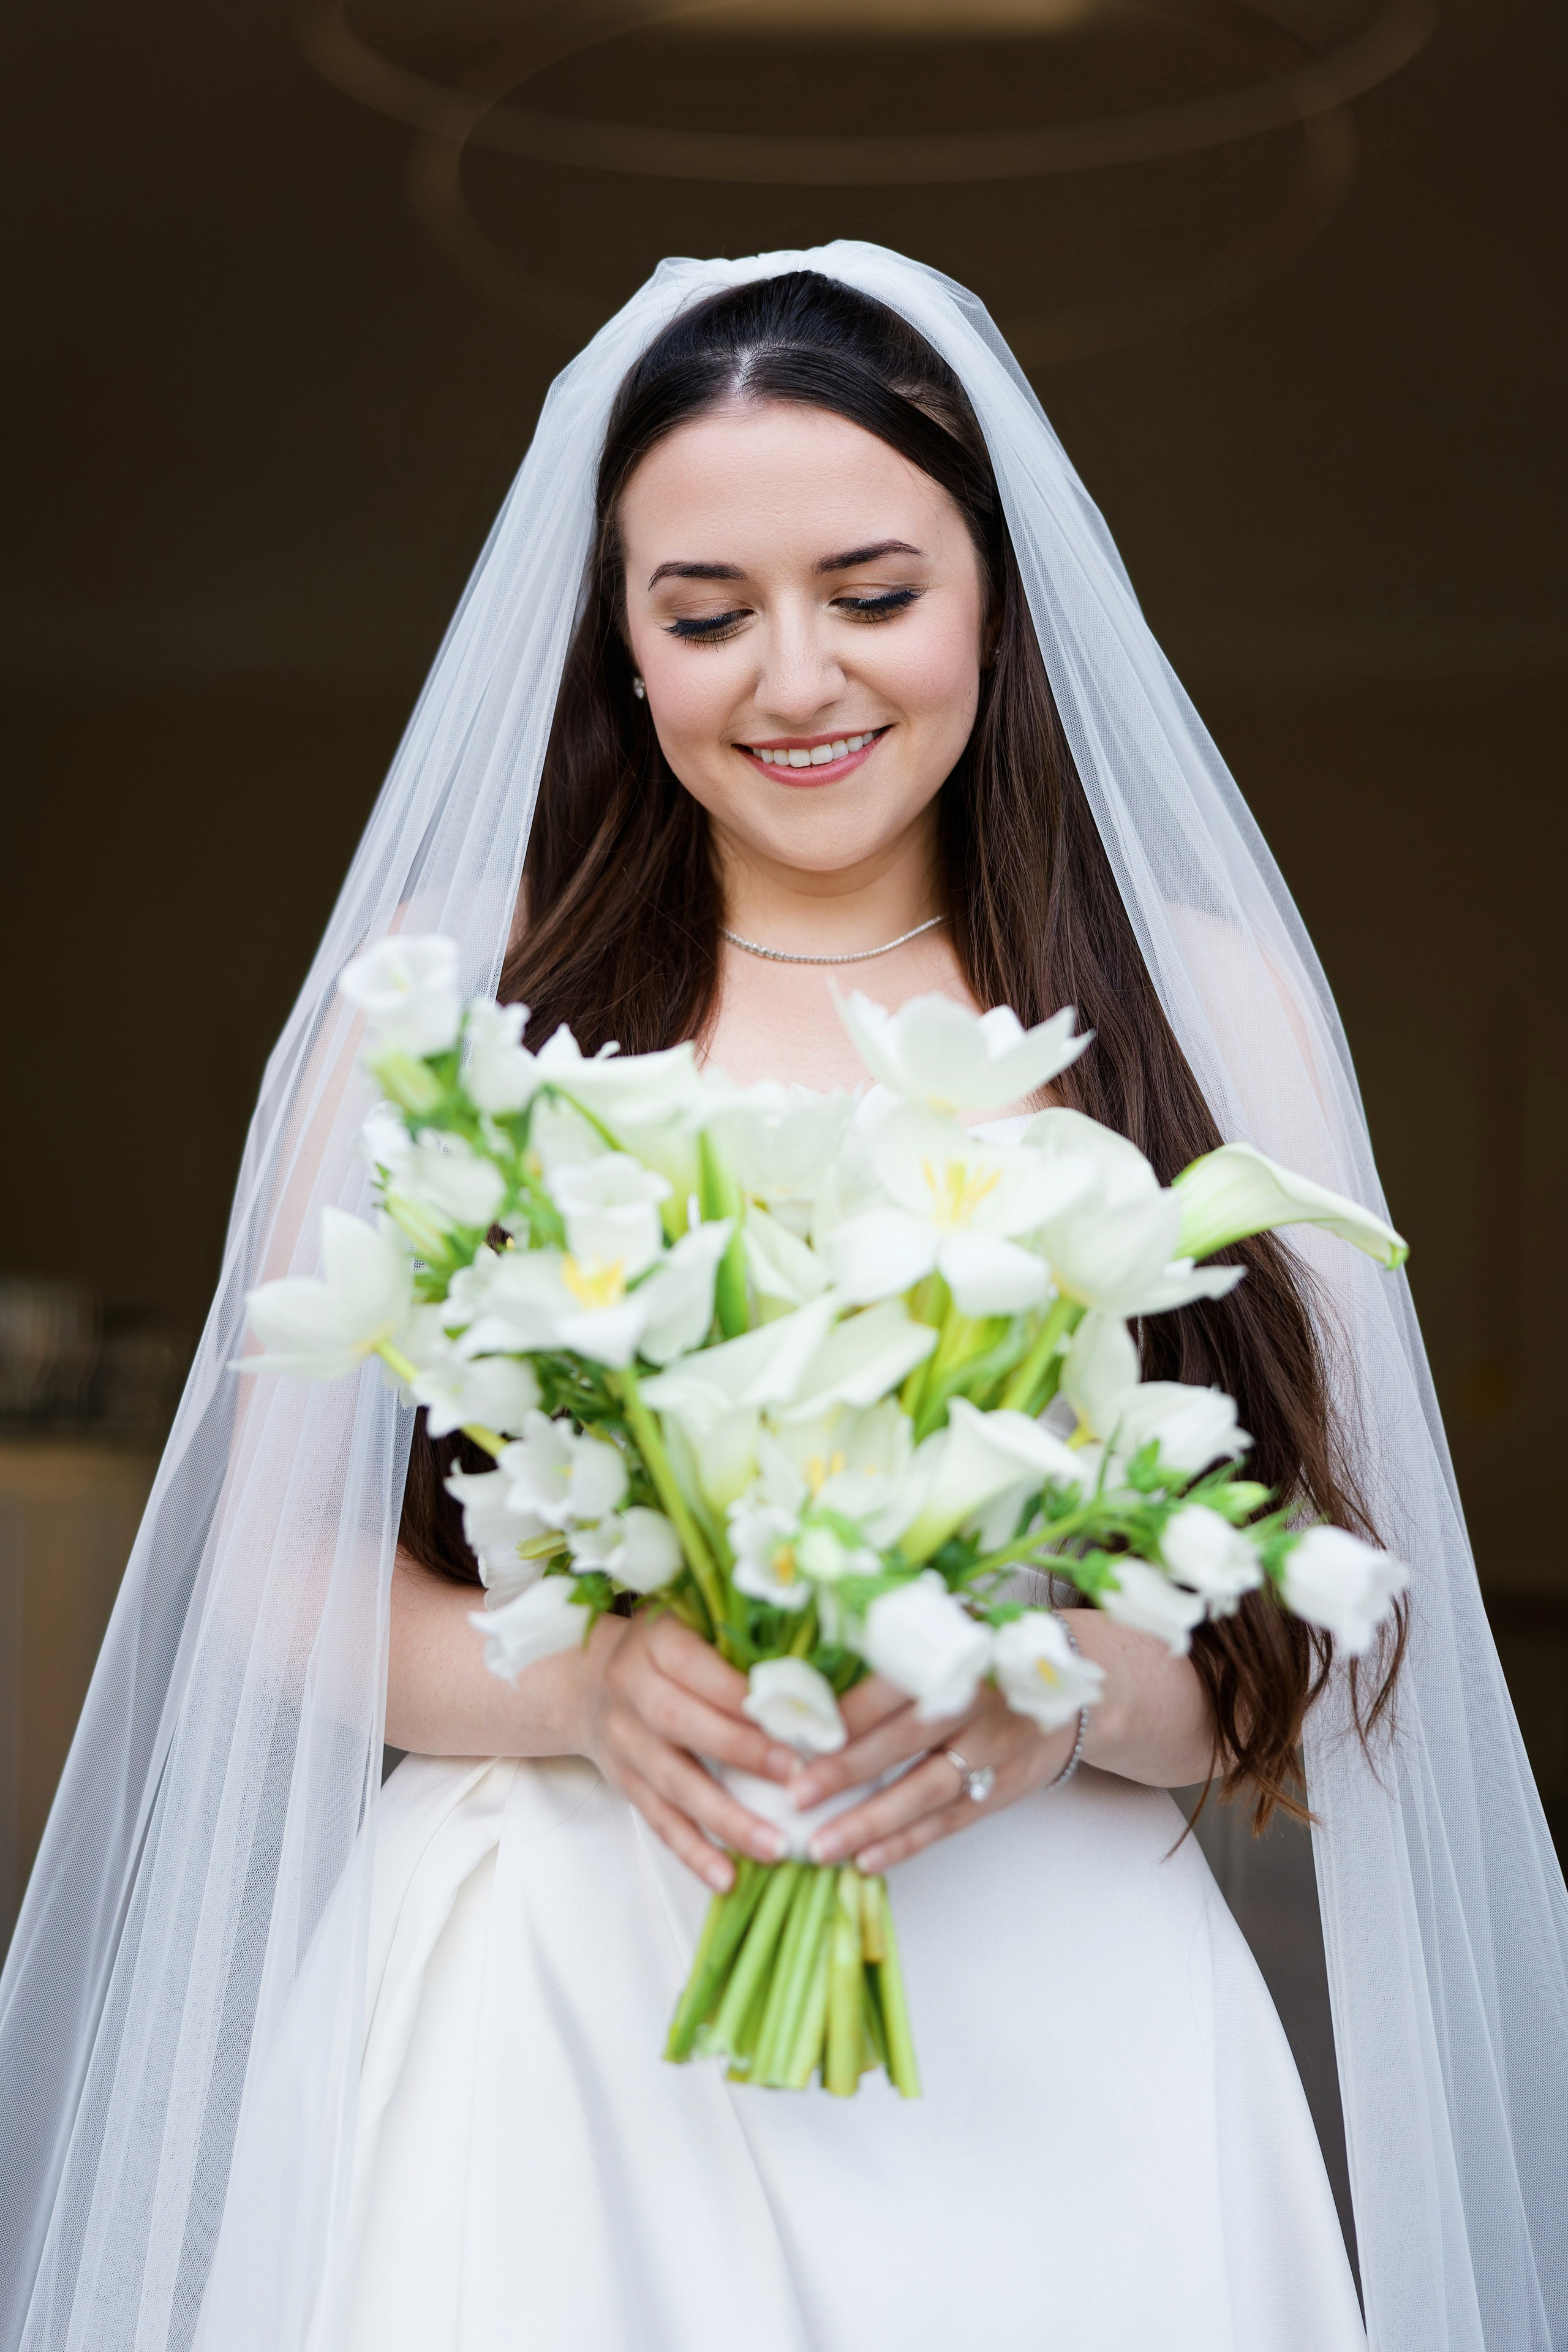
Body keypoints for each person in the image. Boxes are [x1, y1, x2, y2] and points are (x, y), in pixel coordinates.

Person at [2, 247, 1564, 2352]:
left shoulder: (1205, 1002)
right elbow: (269, 1575)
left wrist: (1056, 1685)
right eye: (707, 615)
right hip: (555, 2000)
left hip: (1058, 2035)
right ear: (621, 647)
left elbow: (1310, 1631)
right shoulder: (459, 993)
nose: (796, 680)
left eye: (873, 593)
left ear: (996, 601)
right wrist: (572, 1686)